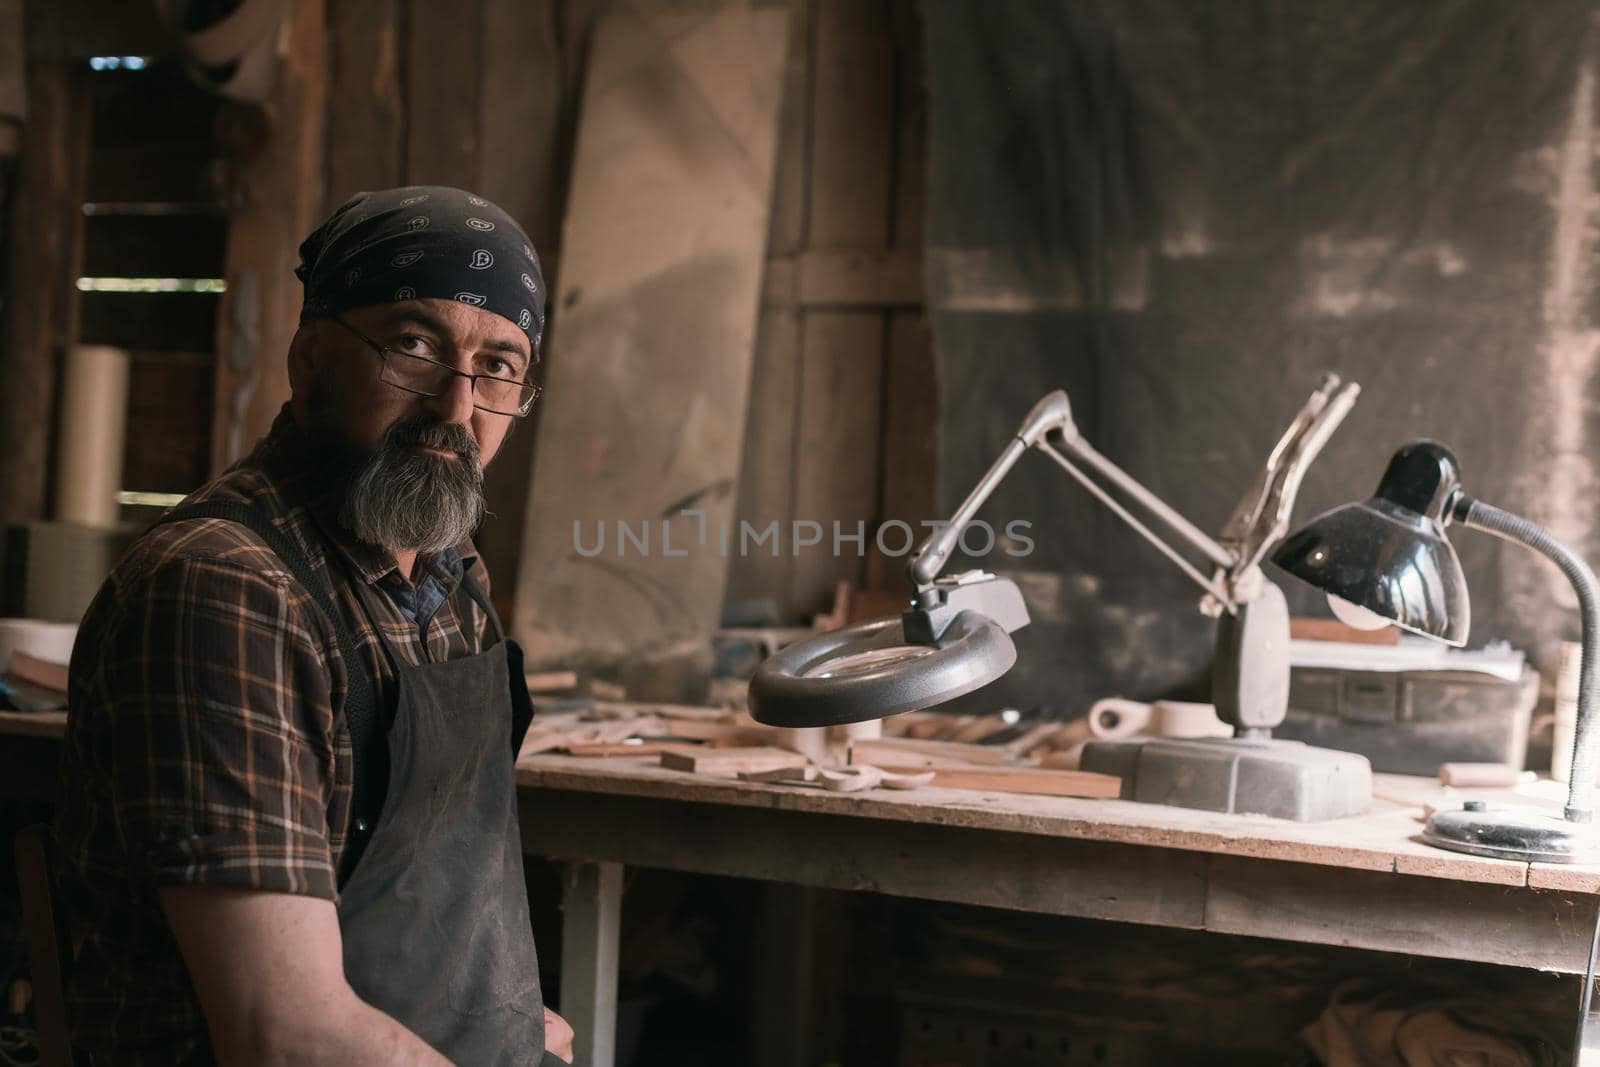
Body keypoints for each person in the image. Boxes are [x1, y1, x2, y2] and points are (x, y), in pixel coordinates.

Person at [53, 186, 574, 1066]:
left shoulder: (453, 580)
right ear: (312, 360)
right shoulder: (225, 589)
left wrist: (526, 1030)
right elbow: (283, 1034)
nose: (457, 408)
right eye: (415, 346)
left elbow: (443, 931)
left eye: (498, 366)